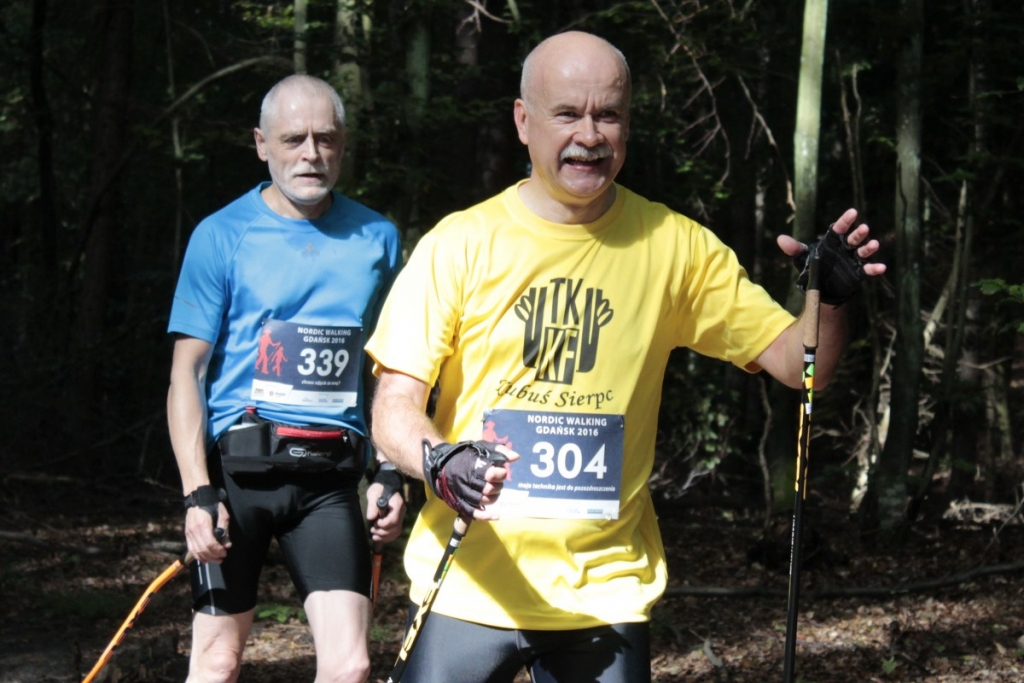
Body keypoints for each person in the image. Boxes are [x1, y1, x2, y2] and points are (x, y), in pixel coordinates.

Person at [366, 31, 886, 683]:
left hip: (604, 593)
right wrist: (440, 460)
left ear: (628, 126)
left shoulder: (674, 246)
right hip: (469, 582)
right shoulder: (460, 243)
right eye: (567, 114)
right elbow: (393, 406)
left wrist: (828, 300)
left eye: (607, 115)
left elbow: (802, 367)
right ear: (524, 122)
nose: (589, 136)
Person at [167, 74, 405, 683]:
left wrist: (388, 471)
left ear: (343, 143)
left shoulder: (377, 238)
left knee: (350, 666)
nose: (311, 154)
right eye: (293, 139)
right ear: (261, 144)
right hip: (237, 477)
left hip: (328, 477)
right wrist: (197, 494)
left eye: (325, 139)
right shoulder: (221, 234)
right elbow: (187, 371)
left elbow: (389, 367)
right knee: (217, 661)